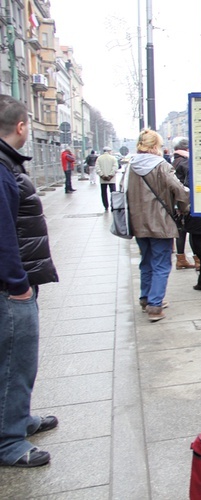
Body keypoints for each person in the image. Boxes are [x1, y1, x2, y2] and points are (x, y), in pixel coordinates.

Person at [0, 94, 59, 468]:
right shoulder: (2, 167)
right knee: (14, 360)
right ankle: (9, 441)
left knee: (18, 360)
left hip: (13, 282)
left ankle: (18, 418)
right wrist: (17, 283)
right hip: (10, 288)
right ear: (21, 127)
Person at [127, 129, 190, 322]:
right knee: (161, 263)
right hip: (160, 221)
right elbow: (178, 189)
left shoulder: (132, 165)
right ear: (155, 146)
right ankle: (155, 305)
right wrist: (185, 204)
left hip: (138, 221)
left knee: (146, 261)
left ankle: (146, 298)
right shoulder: (161, 165)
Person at [171, 137, 196, 270]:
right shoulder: (186, 161)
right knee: (191, 230)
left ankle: (180, 258)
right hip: (186, 201)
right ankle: (197, 260)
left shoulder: (174, 160)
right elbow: (189, 182)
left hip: (176, 201)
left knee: (181, 231)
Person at [95, 147, 118, 211]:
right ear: (109, 151)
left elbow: (97, 167)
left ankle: (106, 206)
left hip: (103, 179)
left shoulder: (99, 158)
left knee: (103, 193)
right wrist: (110, 175)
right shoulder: (113, 158)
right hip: (112, 179)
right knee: (113, 193)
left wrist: (102, 175)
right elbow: (115, 167)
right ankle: (113, 205)